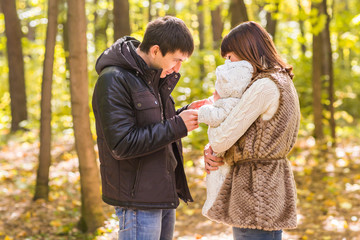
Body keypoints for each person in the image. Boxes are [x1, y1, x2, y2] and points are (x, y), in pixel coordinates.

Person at [92, 16, 206, 240]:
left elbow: (155, 123)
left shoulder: (155, 76)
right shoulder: (113, 80)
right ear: (155, 50)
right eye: (176, 59)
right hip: (137, 200)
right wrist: (177, 126)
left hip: (163, 192)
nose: (178, 68)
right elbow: (122, 144)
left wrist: (182, 113)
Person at [203, 21, 300, 240]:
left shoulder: (264, 86)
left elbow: (221, 139)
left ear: (247, 50)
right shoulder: (282, 80)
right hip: (270, 185)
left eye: (229, 57)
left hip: (254, 189)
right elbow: (248, 136)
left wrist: (215, 108)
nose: (228, 64)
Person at [197, 59, 253, 217]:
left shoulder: (229, 104)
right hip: (222, 151)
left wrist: (201, 111)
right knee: (216, 178)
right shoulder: (235, 101)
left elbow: (215, 117)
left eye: (217, 89)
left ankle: (213, 206)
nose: (214, 93)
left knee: (216, 180)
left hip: (223, 153)